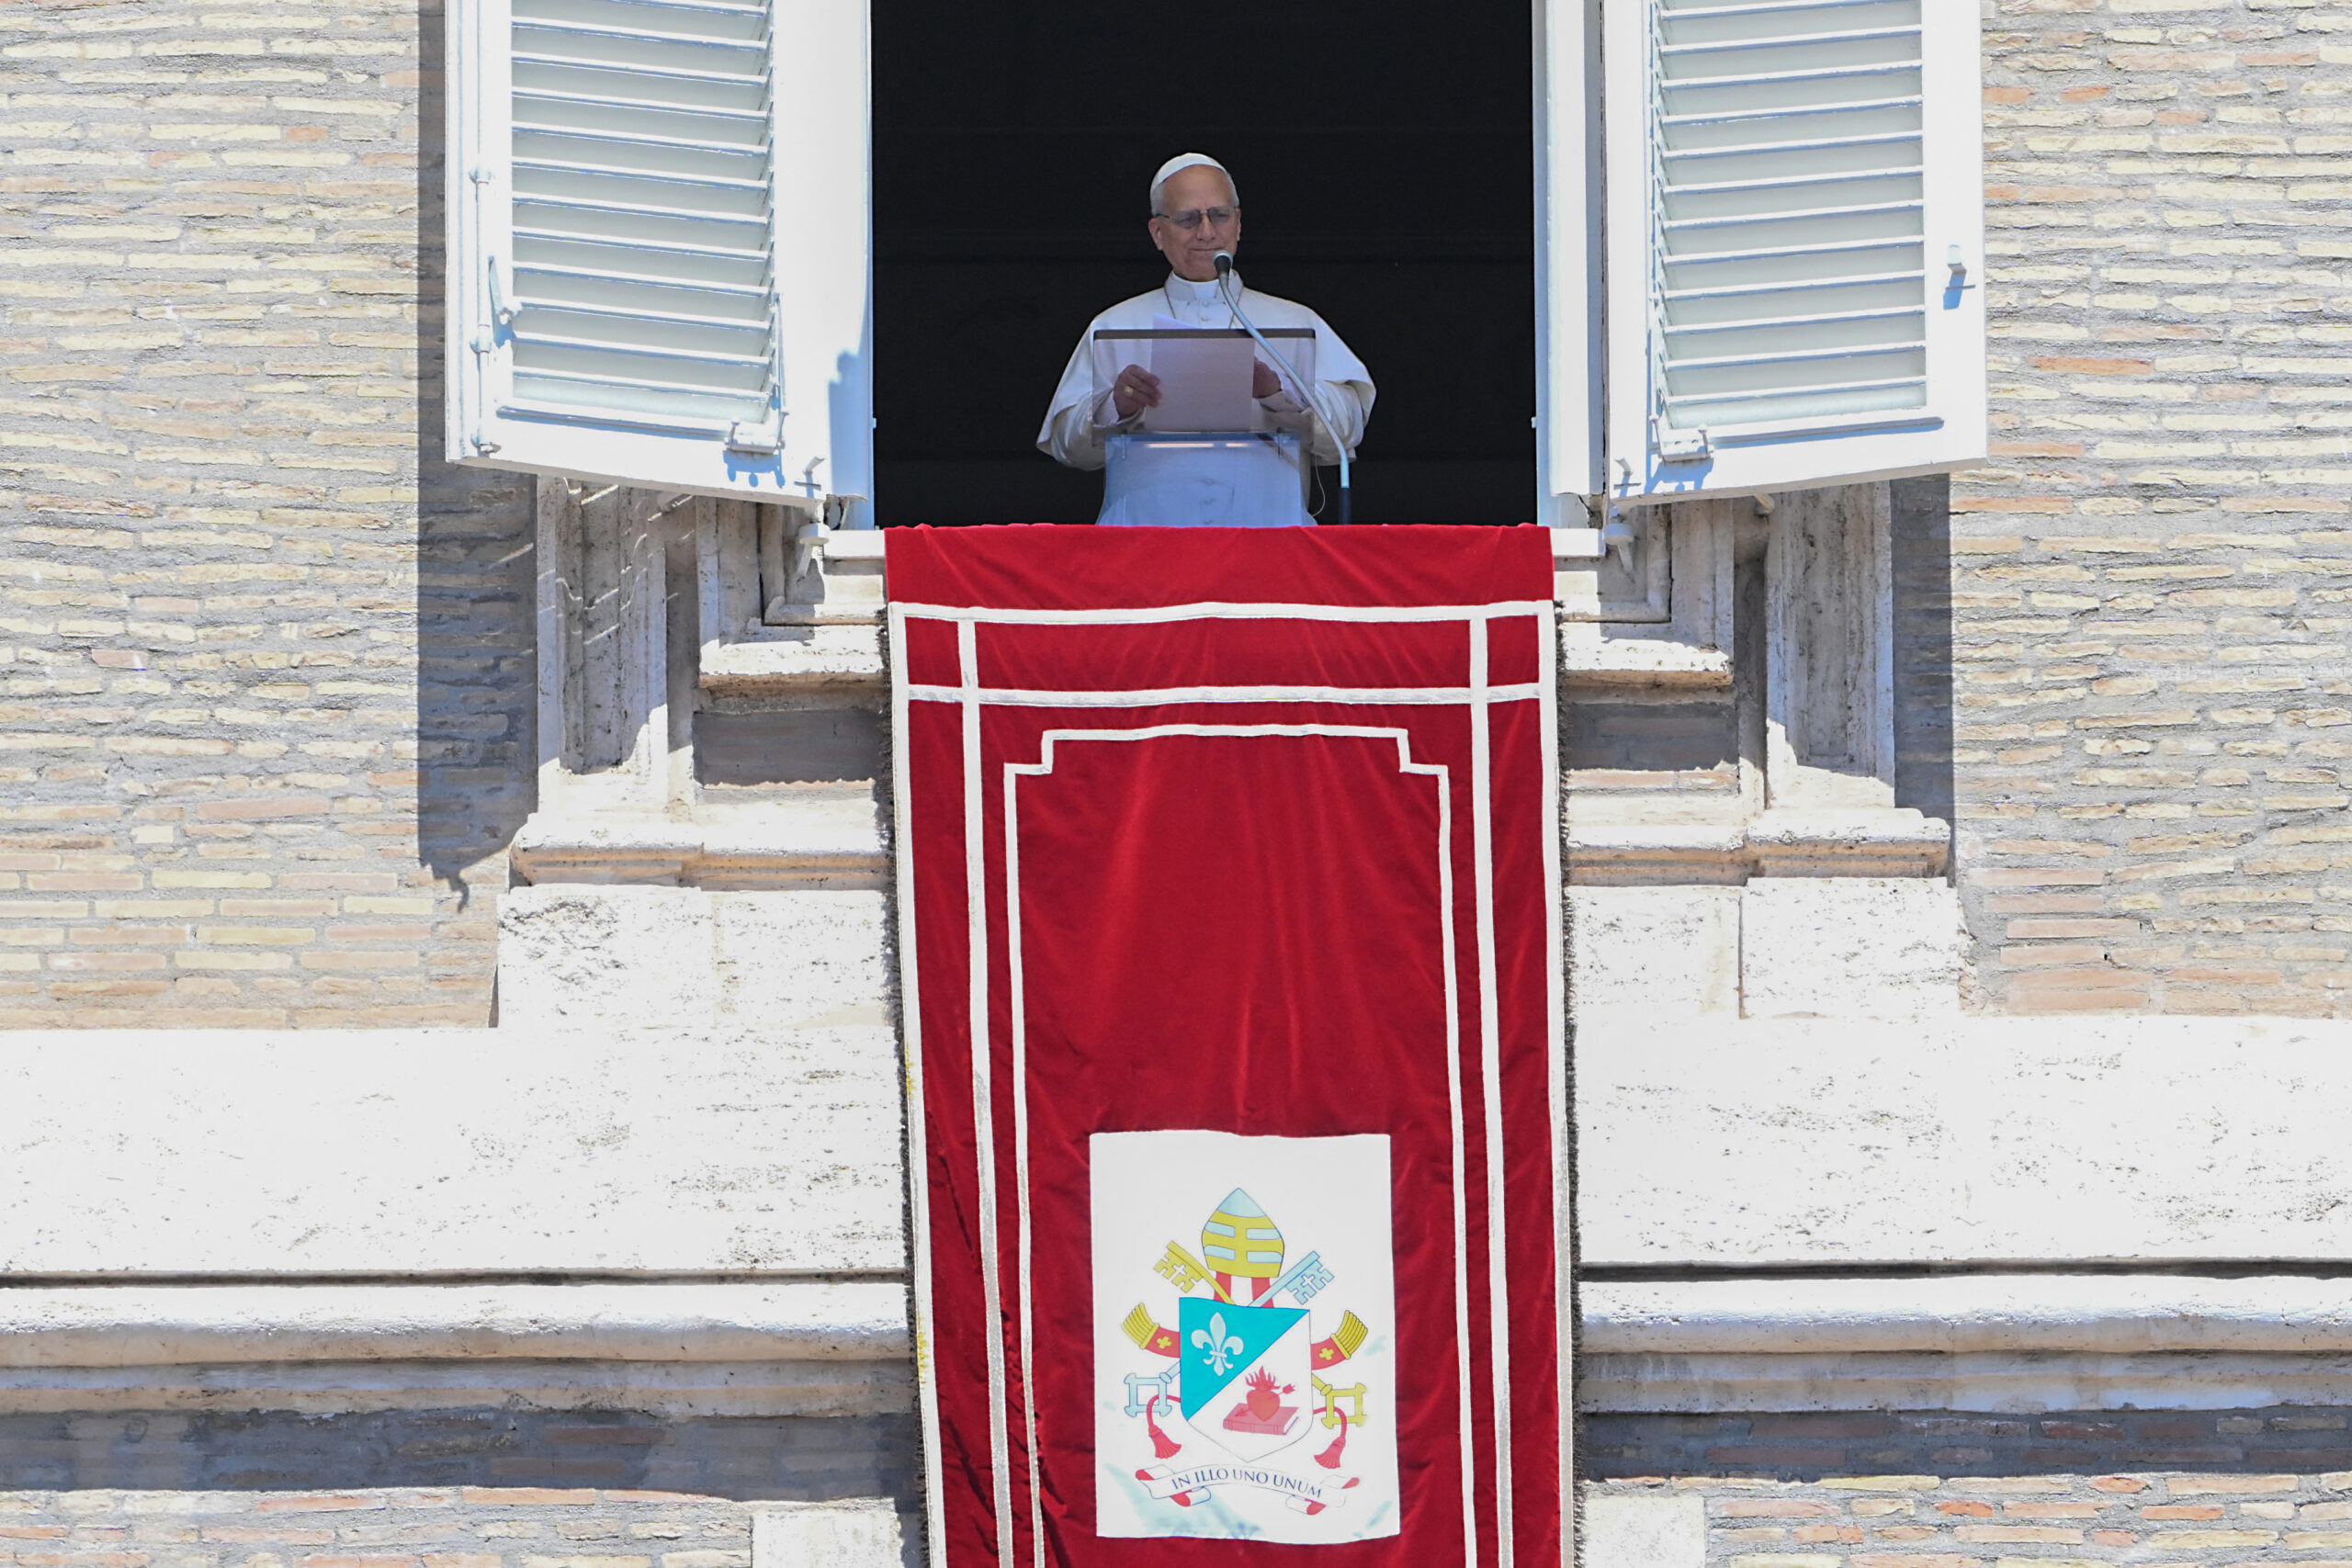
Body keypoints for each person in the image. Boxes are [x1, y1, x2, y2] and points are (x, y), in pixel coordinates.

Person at [1036, 153, 1374, 522]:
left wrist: (1279, 393)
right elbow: (1067, 446)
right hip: (1146, 537)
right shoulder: (1113, 324)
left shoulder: (1295, 320)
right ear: (1157, 233)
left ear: (1239, 224)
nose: (1206, 232)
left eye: (1219, 215)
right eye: (1188, 219)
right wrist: (1116, 407)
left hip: (1269, 534)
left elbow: (1348, 428)